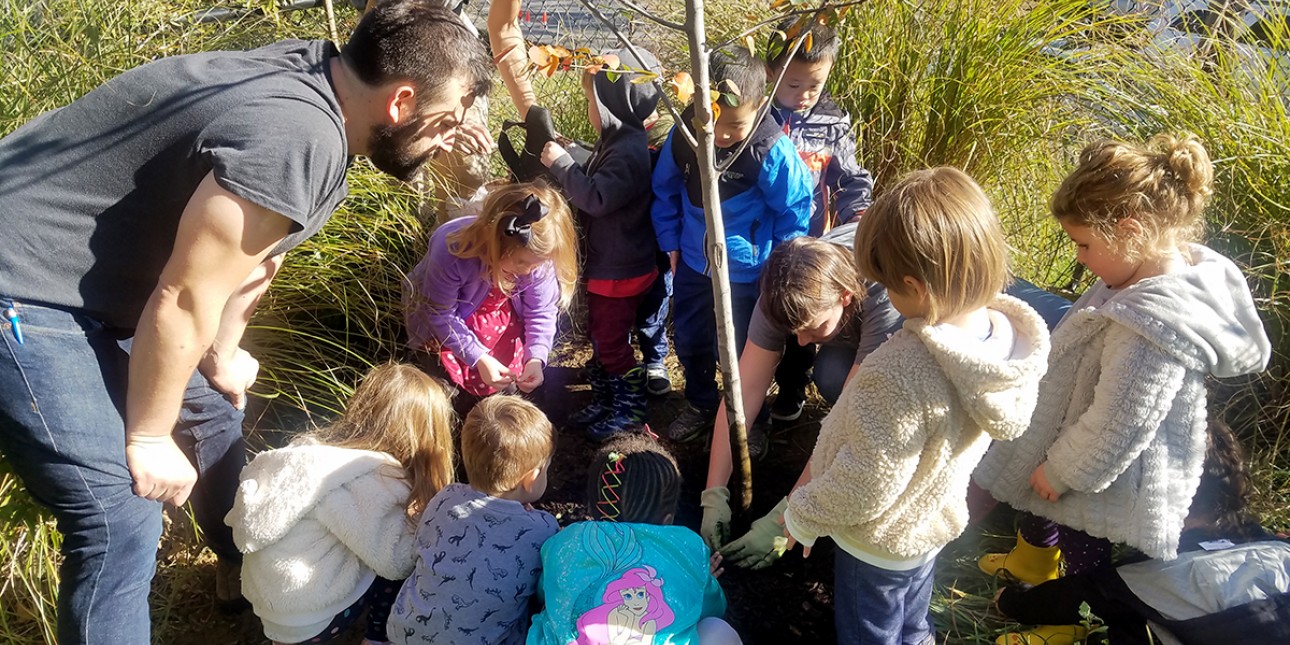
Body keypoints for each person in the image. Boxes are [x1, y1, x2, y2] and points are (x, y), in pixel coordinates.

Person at [0, 2, 492, 642]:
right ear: (402, 102)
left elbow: (256, 256)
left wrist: (223, 351)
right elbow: (182, 297)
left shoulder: (326, 84)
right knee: (119, 517)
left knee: (213, 412)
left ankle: (248, 568)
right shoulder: (297, 135)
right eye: (448, 118)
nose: (449, 136)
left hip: (92, 285)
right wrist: (149, 438)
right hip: (25, 284)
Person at [972, 134, 1272, 628]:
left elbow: (1121, 422)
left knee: (1084, 545)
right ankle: (1032, 564)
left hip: (1106, 473)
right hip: (1070, 430)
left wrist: (1064, 471)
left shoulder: (1152, 326)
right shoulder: (1133, 269)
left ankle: (1072, 617)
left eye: (1084, 245)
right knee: (1037, 493)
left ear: (1130, 231)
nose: (1080, 258)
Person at [778, 167, 1051, 644]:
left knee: (870, 633)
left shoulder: (902, 371)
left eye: (887, 284)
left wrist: (802, 514)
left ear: (916, 287)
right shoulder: (1004, 343)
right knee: (912, 622)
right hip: (928, 526)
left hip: (875, 541)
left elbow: (867, 482)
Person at [992, 418, 1290, 645]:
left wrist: (1010, 600)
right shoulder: (1280, 551)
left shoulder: (1156, 577)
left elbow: (1073, 597)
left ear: (1158, 495)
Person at [651, 45, 814, 442]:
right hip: (693, 262)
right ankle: (702, 402)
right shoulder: (684, 134)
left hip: (748, 272)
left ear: (759, 107)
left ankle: (751, 419)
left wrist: (778, 268)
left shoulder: (770, 149)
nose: (721, 136)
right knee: (690, 338)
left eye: (735, 127)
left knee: (746, 351)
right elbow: (665, 189)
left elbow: (795, 211)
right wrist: (670, 240)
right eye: (713, 124)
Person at [225, 364, 454, 644]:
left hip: (269, 604)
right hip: (314, 617)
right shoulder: (367, 477)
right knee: (399, 568)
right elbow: (397, 564)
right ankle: (377, 637)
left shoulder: (308, 451)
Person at [538, 47, 664, 441]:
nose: (590, 108)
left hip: (620, 269)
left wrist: (562, 165)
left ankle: (628, 410)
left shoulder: (627, 151)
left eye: (593, 100)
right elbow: (601, 172)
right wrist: (575, 152)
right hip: (612, 264)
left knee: (611, 340)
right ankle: (607, 399)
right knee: (601, 336)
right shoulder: (621, 139)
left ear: (613, 102)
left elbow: (597, 197)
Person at [762, 19, 877, 426]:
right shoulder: (755, 117)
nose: (804, 96)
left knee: (803, 324)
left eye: (815, 84)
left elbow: (850, 179)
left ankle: (792, 387)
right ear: (770, 72)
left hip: (811, 244)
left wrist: (858, 221)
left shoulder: (832, 121)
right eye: (793, 85)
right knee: (758, 321)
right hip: (758, 242)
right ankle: (750, 396)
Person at [527, 435, 740, 645]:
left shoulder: (565, 541)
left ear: (592, 509)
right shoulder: (688, 546)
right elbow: (714, 608)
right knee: (717, 629)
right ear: (668, 520)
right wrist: (700, 578)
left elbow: (545, 591)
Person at [387, 395, 559, 645]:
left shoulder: (446, 497)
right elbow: (543, 588)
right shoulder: (544, 529)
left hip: (405, 635)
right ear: (532, 478)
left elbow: (420, 547)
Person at [402, 182, 578, 411]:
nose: (528, 270)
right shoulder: (452, 248)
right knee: (444, 392)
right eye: (521, 262)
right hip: (445, 329)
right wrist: (479, 358)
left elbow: (541, 310)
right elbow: (441, 314)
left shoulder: (537, 261)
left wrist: (535, 357)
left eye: (537, 264)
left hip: (496, 323)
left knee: (503, 387)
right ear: (495, 243)